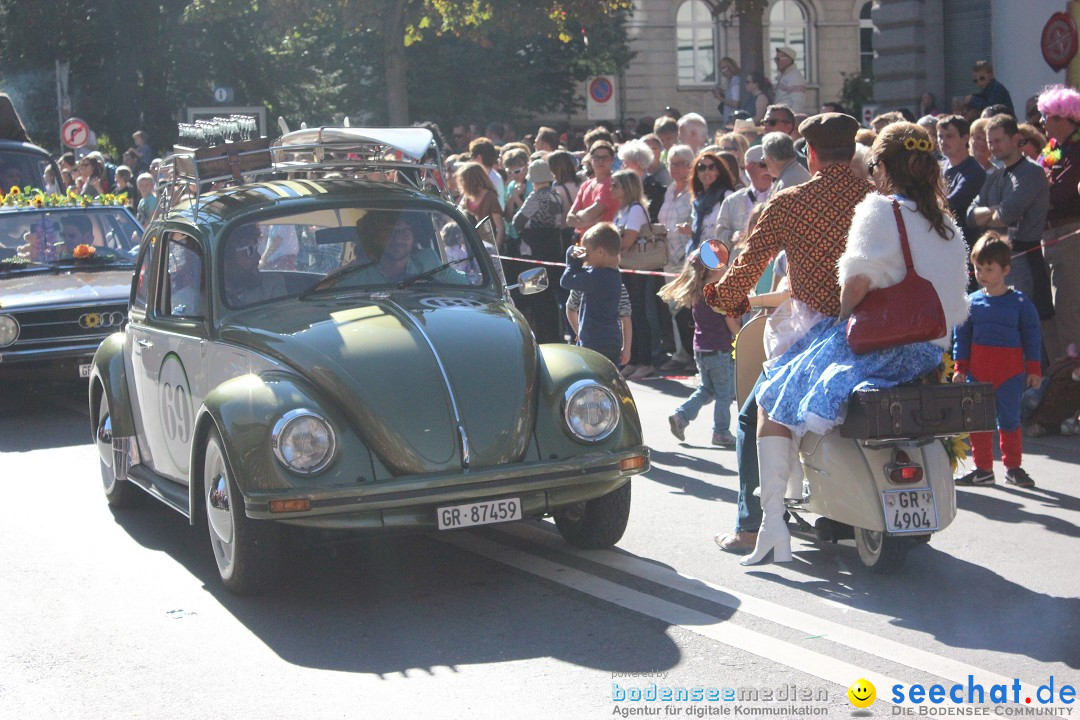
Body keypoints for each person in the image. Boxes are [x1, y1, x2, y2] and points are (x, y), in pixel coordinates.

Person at [739, 121, 971, 565]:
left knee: (773, 391)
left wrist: (844, 314)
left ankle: (772, 526)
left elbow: (855, 287)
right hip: (931, 349)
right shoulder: (947, 224)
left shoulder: (879, 210)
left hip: (880, 345)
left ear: (882, 166)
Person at [705, 112, 874, 556]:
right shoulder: (878, 201)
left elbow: (743, 274)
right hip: (875, 332)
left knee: (750, 417)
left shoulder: (790, 203)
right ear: (852, 150)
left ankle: (751, 528)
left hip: (810, 337)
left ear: (811, 154)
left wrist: (718, 296)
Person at [953, 233, 1042, 488]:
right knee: (979, 422)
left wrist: (1033, 369)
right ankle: (982, 469)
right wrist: (960, 368)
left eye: (989, 269)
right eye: (978, 268)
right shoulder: (972, 303)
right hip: (978, 375)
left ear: (1005, 270)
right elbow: (963, 338)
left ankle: (1013, 467)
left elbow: (1032, 337)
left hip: (1011, 374)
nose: (982, 274)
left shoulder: (1021, 304)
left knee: (1010, 421)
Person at [967, 114, 1054, 325]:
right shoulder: (996, 176)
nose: (993, 147)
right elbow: (970, 215)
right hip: (994, 260)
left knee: (1021, 326)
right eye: (990, 142)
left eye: (998, 141)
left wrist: (989, 214)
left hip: (1022, 260)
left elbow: (1006, 215)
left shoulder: (1031, 172)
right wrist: (995, 211)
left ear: (1015, 139)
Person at [662, 250, 742, 446]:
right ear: (713, 270)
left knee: (707, 389)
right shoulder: (719, 293)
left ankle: (681, 416)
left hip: (702, 350)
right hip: (719, 351)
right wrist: (741, 337)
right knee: (724, 394)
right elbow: (731, 321)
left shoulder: (699, 292)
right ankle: (721, 432)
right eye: (723, 263)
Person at [1036, 85, 1080, 361]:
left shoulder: (1076, 151)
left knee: (1068, 307)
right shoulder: (1052, 149)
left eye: (1046, 115)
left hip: (1069, 235)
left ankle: (1074, 371)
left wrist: (1037, 196)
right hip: (1048, 236)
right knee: (1053, 308)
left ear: (1063, 118)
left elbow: (1062, 192)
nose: (1041, 121)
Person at [611, 169, 663, 380]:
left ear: (626, 187)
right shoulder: (622, 210)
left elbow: (628, 240)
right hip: (626, 267)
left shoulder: (635, 210)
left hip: (639, 267)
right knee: (629, 313)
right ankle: (633, 360)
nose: (611, 188)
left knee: (639, 313)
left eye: (615, 185)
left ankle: (645, 361)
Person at [559, 223, 631, 368]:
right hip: (612, 341)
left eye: (587, 252)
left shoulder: (596, 277)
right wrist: (627, 348)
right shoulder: (614, 276)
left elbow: (566, 281)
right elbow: (626, 316)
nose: (584, 256)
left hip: (594, 342)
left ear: (600, 252)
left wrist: (571, 257)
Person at [657, 144, 696, 372]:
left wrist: (689, 230)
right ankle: (680, 354)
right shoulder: (669, 190)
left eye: (683, 163)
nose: (678, 168)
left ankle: (692, 354)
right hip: (668, 257)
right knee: (672, 307)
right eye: (673, 163)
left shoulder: (694, 191)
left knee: (688, 307)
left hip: (687, 258)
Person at [936, 114, 986, 289]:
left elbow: (953, 202)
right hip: (940, 244)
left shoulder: (973, 171)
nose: (943, 141)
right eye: (940, 136)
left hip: (965, 245)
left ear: (965, 138)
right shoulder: (939, 168)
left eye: (949, 136)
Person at [714, 145, 774, 252]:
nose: (768, 170)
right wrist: (732, 236)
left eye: (771, 164)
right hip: (741, 262)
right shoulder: (732, 201)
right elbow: (719, 233)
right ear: (748, 168)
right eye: (763, 165)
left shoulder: (782, 194)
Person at [222, 224, 286, 306]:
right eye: (250, 250)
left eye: (257, 247)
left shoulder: (271, 285)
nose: (258, 257)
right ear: (226, 257)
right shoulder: (209, 295)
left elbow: (282, 315)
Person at [566, 141, 619, 238]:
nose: (600, 161)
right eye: (596, 157)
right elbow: (569, 219)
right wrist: (584, 224)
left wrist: (578, 217)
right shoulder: (586, 184)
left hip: (605, 241)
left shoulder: (612, 184)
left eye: (605, 158)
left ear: (612, 160)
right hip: (584, 243)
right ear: (591, 159)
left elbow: (589, 214)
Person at [456, 161, 505, 250]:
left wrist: (495, 251)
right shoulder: (467, 198)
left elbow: (500, 227)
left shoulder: (490, 197)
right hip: (472, 246)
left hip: (488, 246)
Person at [772, 46, 807, 114]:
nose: (776, 62)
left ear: (788, 60)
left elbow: (798, 105)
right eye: (775, 59)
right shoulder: (784, 76)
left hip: (786, 120)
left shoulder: (795, 77)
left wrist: (788, 120)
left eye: (778, 59)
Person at [716, 57, 743, 126]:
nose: (722, 72)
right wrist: (722, 92)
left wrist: (720, 98)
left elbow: (735, 103)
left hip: (732, 121)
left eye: (724, 68)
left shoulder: (735, 82)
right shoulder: (731, 81)